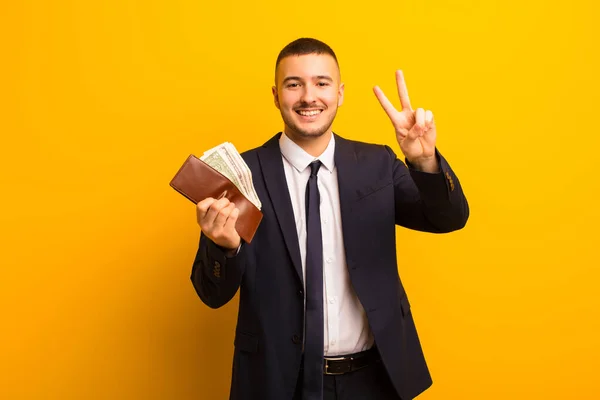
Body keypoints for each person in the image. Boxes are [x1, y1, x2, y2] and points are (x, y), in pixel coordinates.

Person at [190, 38, 469, 400]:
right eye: (294, 84)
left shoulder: (377, 164)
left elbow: (448, 218)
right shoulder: (241, 174)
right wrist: (224, 249)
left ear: (339, 93)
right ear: (276, 95)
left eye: (321, 83)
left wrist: (424, 161)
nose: (309, 96)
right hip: (277, 382)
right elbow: (211, 293)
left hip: (374, 379)